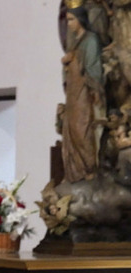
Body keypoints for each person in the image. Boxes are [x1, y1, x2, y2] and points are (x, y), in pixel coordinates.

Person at [61, 6, 105, 183]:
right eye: (68, 20)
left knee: (82, 130)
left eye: (72, 19)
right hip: (72, 92)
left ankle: (90, 170)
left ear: (81, 20)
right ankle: (76, 173)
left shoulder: (91, 39)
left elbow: (94, 67)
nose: (69, 24)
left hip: (84, 92)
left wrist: (74, 58)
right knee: (71, 129)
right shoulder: (75, 41)